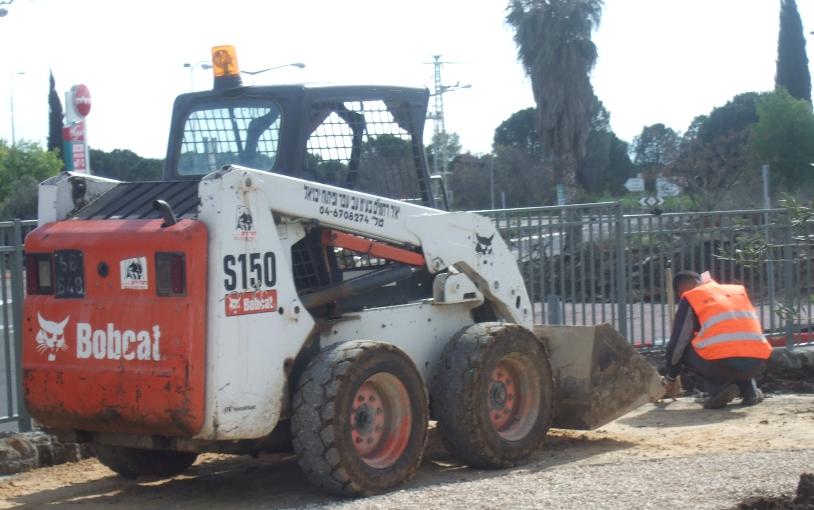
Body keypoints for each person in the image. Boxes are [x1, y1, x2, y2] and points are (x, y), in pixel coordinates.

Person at [662, 271, 773, 409]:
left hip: (724, 364)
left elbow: (678, 343)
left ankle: (719, 390)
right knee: (736, 349)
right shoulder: (736, 291)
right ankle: (749, 391)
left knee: (687, 348)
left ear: (681, 290)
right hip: (758, 362)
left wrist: (671, 376)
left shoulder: (691, 297)